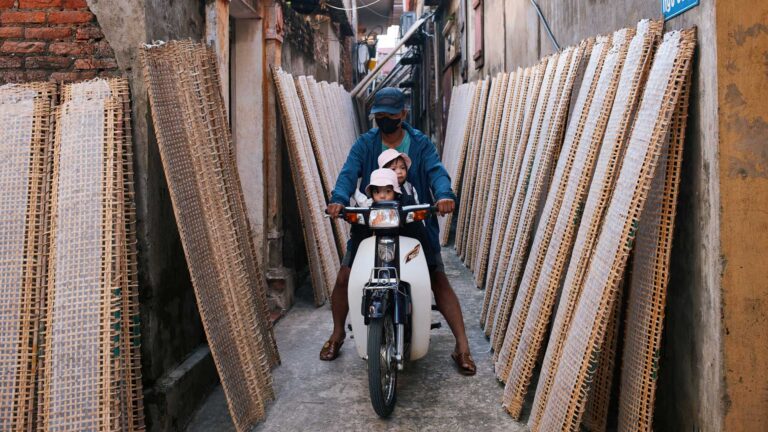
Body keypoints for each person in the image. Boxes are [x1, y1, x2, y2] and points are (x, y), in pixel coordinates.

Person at [320, 87, 476, 376]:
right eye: (379, 115)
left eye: (390, 115)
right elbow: (348, 173)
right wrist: (339, 199)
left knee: (437, 278)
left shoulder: (420, 144)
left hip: (413, 222)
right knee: (344, 277)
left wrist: (444, 195)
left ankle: (462, 346)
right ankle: (338, 333)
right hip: (372, 223)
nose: (385, 120)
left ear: (403, 114)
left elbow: (436, 172)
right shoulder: (365, 144)